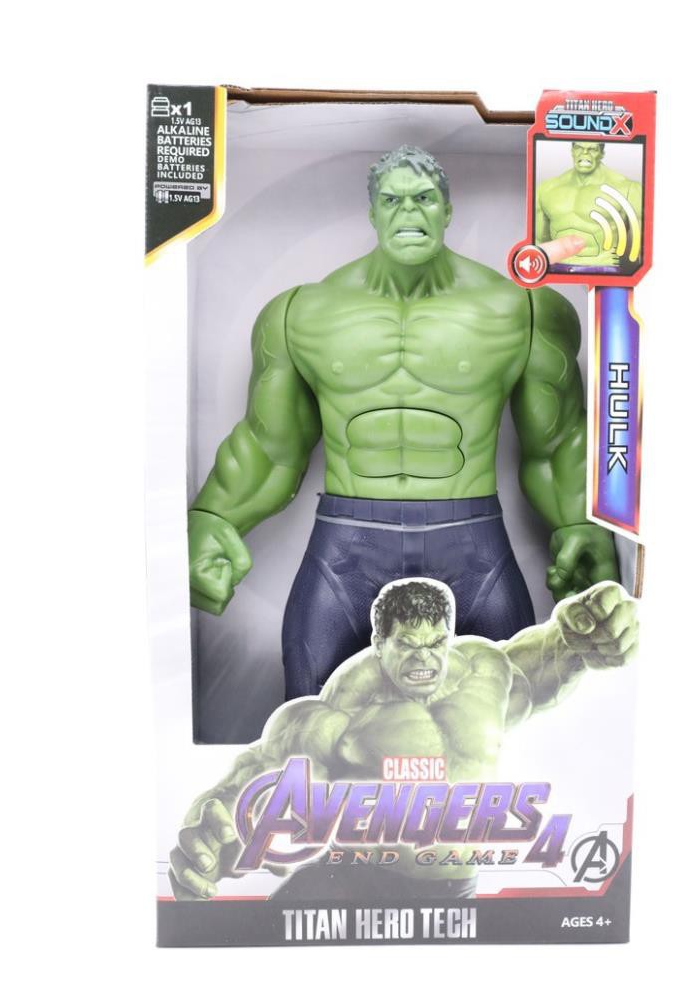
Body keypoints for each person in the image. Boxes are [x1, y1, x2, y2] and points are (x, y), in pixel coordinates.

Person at [189, 145, 618, 698]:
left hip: (474, 549)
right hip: (345, 550)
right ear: (372, 212)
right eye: (392, 200)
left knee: (510, 717)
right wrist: (213, 517)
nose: (408, 212)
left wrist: (580, 525)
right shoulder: (302, 314)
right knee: (302, 719)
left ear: (447, 209)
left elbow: (556, 444)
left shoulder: (520, 310)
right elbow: (271, 448)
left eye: (423, 199)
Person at [168, 577, 638, 901]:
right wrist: (207, 835)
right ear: (379, 643)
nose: (424, 660)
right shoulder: (343, 709)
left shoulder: (486, 671)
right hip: (357, 880)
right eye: (407, 646)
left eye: (435, 644)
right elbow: (254, 774)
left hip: (457, 889)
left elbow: (558, 650)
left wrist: (596, 625)